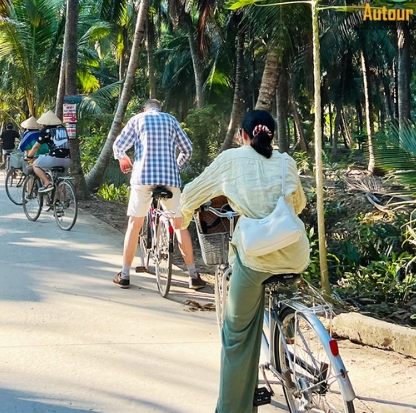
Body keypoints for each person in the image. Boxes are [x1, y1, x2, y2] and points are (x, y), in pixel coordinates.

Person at [179, 110, 310, 413]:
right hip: (295, 253)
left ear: (243, 135)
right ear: (271, 136)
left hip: (255, 259)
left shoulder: (231, 160)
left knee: (237, 335)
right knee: (286, 280)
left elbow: (190, 197)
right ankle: (287, 338)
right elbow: (299, 205)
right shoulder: (286, 162)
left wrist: (181, 218)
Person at [111, 99, 206, 290]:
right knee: (180, 225)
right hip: (170, 180)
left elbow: (119, 145)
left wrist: (123, 157)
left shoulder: (138, 119)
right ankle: (193, 276)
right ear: (160, 109)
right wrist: (175, 168)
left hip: (143, 179)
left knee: (134, 224)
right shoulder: (171, 120)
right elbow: (187, 149)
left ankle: (125, 274)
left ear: (144, 109)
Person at [25, 111, 71, 193]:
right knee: (61, 181)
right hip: (67, 159)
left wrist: (29, 156)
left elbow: (36, 146)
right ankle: (62, 202)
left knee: (36, 165)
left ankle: (47, 183)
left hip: (54, 158)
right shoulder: (64, 129)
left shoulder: (46, 130)